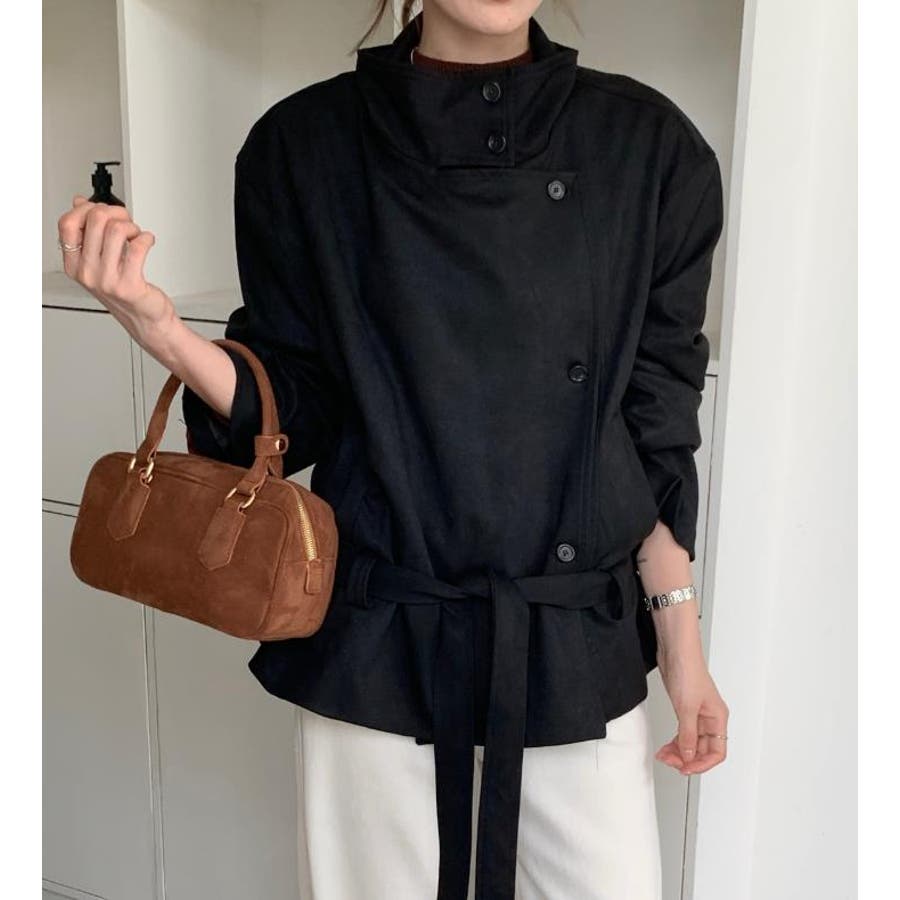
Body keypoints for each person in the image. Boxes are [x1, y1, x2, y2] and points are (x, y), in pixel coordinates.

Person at [57, 2, 730, 898]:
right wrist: (162, 331)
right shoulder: (303, 146)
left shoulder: (651, 148)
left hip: (573, 643)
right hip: (380, 639)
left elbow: (655, 431)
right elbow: (295, 406)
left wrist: (682, 649)